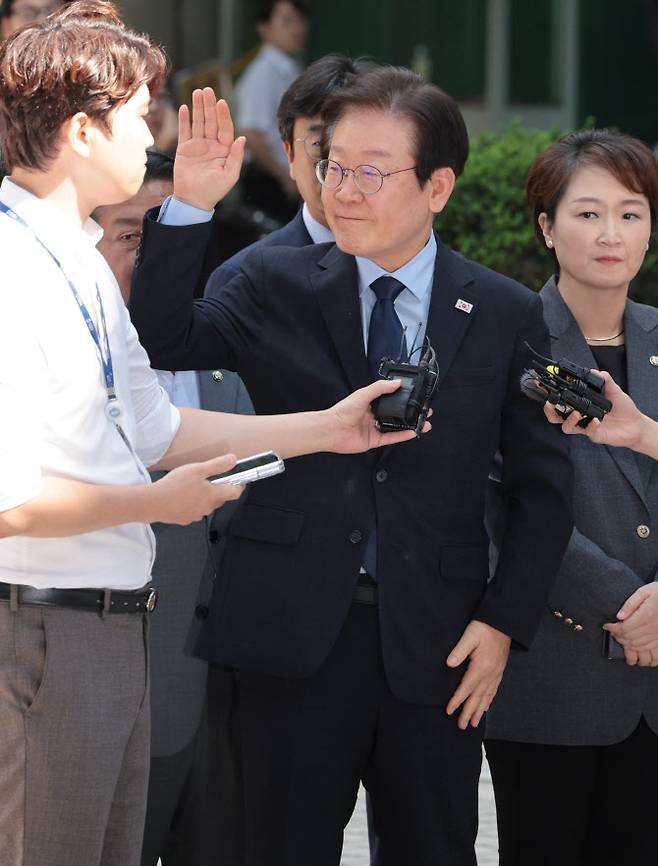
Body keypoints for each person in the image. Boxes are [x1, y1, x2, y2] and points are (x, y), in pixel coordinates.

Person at [0, 6, 420, 866]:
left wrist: (327, 430)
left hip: (110, 631)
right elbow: (9, 504)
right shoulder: (14, 269)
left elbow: (158, 426)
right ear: (81, 131)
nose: (153, 130)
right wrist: (158, 503)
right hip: (45, 634)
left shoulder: (75, 255)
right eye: (138, 113)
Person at [130, 66, 573, 866]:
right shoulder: (272, 277)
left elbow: (544, 491)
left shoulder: (504, 311)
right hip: (285, 635)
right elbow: (162, 341)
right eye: (334, 165)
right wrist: (190, 205)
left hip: (437, 644)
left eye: (373, 171)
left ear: (437, 186)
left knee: (432, 847)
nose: (345, 190)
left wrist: (503, 623)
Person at [484, 128, 658, 866]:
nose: (611, 234)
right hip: (552, 675)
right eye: (587, 214)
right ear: (546, 228)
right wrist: (628, 603)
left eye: (631, 212)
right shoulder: (505, 342)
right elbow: (502, 504)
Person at [94, 149, 253, 866]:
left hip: (235, 701)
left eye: (174, 239)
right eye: (135, 237)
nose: (158, 260)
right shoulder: (52, 366)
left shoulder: (224, 357)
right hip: (109, 704)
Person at [236, 0, 308, 223]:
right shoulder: (263, 73)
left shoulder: (289, 68)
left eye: (299, 19)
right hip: (270, 181)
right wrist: (284, 177)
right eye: (287, 20)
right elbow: (251, 133)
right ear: (264, 28)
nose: (297, 27)